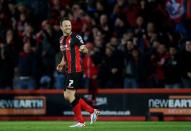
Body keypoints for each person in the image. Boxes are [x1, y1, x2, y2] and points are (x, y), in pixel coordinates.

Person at [57, 17, 100, 128]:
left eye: (69, 25)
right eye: (66, 25)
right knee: (69, 96)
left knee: (69, 95)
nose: (68, 27)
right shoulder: (61, 39)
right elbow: (64, 55)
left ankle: (81, 121)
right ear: (61, 27)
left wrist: (83, 49)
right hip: (69, 70)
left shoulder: (76, 37)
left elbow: (84, 48)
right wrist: (62, 63)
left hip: (76, 69)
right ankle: (92, 111)